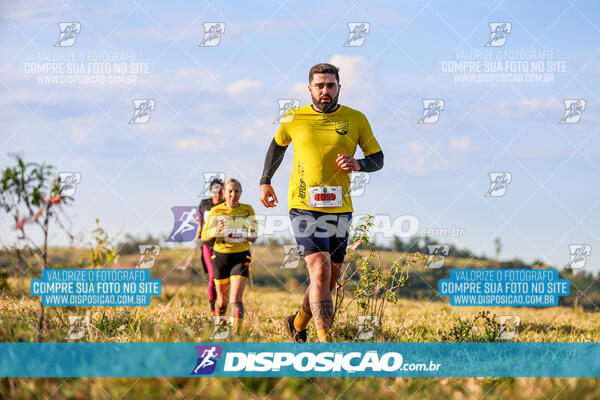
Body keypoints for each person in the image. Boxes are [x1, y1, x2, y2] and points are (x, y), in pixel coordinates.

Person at [259, 63, 384, 342]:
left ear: (339, 87)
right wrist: (265, 180)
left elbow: (378, 158)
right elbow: (277, 146)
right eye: (319, 86)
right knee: (319, 266)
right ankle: (326, 343)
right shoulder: (294, 117)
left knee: (329, 279)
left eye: (330, 85)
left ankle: (298, 323)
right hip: (303, 203)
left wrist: (358, 163)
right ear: (310, 89)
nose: (325, 91)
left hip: (340, 207)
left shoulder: (356, 119)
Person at [201, 179, 257, 333]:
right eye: (230, 191)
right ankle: (220, 333)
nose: (233, 194)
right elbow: (205, 236)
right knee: (222, 301)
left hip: (241, 256)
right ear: (224, 193)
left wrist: (250, 235)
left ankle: (236, 336)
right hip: (220, 257)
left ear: (241, 192)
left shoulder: (247, 210)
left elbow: (254, 233)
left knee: (236, 298)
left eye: (237, 191)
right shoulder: (216, 211)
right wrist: (216, 230)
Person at [196, 178, 225, 315]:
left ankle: (222, 305)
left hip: (222, 244)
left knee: (223, 277)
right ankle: (213, 308)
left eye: (220, 190)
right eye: (215, 190)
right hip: (207, 244)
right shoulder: (204, 203)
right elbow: (199, 217)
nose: (217, 193)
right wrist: (199, 229)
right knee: (212, 276)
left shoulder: (226, 205)